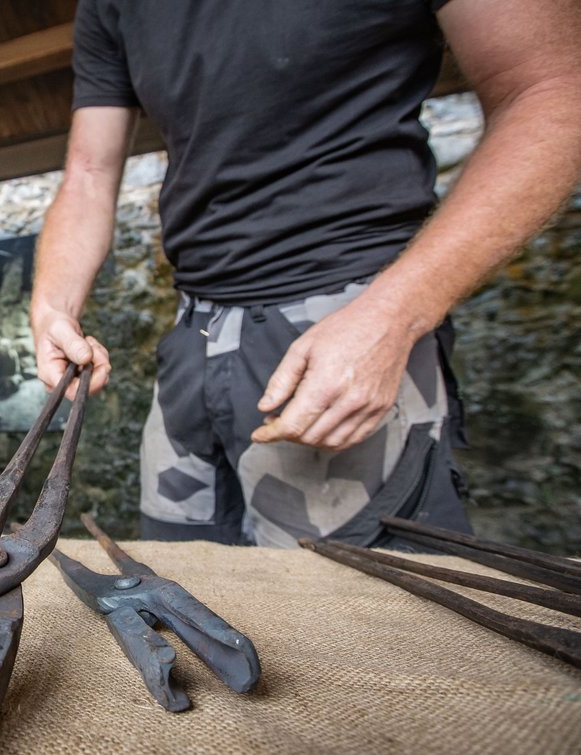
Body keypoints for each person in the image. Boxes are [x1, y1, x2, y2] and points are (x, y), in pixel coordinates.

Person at [31, 1, 581, 547]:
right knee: (175, 586)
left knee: (360, 616)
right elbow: (88, 172)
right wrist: (51, 308)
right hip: (192, 336)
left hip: (346, 321)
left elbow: (553, 89)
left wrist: (392, 317)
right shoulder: (109, 5)